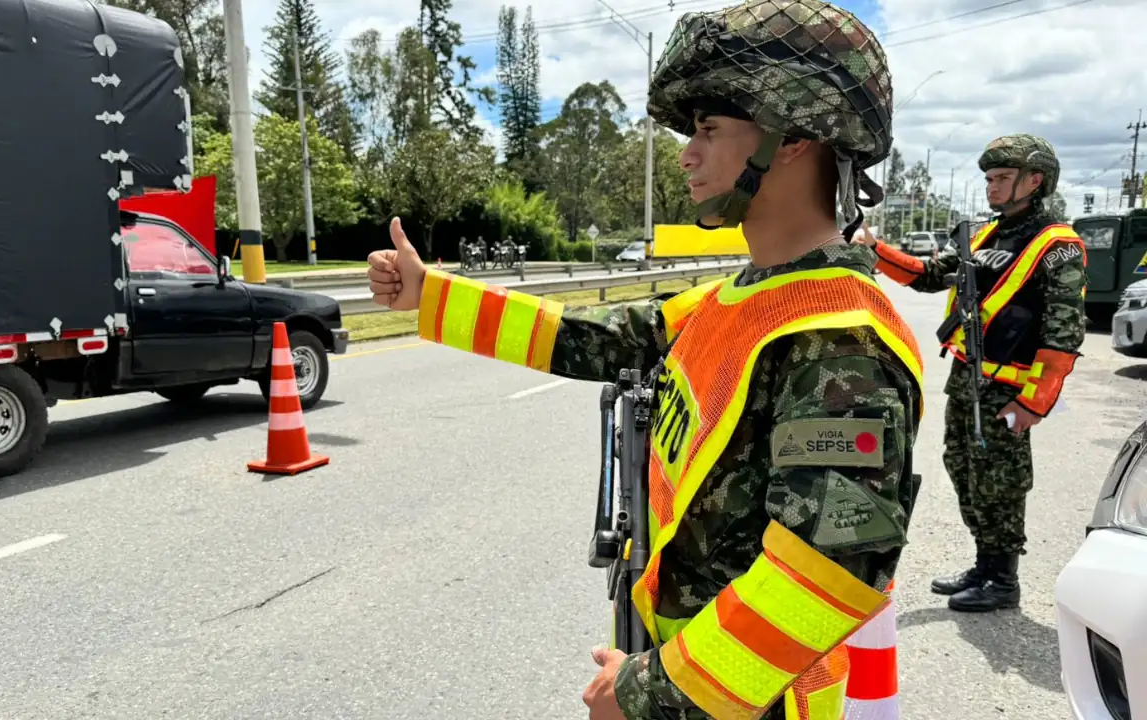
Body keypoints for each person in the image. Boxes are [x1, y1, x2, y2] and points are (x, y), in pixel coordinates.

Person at [368, 1, 925, 717]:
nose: (688, 154)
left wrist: (647, 692)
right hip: (689, 676)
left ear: (794, 138)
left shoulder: (841, 339)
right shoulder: (740, 299)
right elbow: (588, 335)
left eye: (710, 130)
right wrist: (428, 294)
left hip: (744, 700)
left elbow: (824, 576)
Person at [856, 134, 1087, 612]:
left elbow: (1063, 334)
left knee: (999, 480)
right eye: (989, 179)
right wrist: (874, 249)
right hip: (967, 378)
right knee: (962, 468)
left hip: (1010, 387)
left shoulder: (1057, 246)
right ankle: (984, 563)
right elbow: (927, 275)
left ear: (1035, 180)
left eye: (1002, 179)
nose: (992, 188)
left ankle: (1003, 579)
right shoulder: (982, 237)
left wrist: (1033, 402)